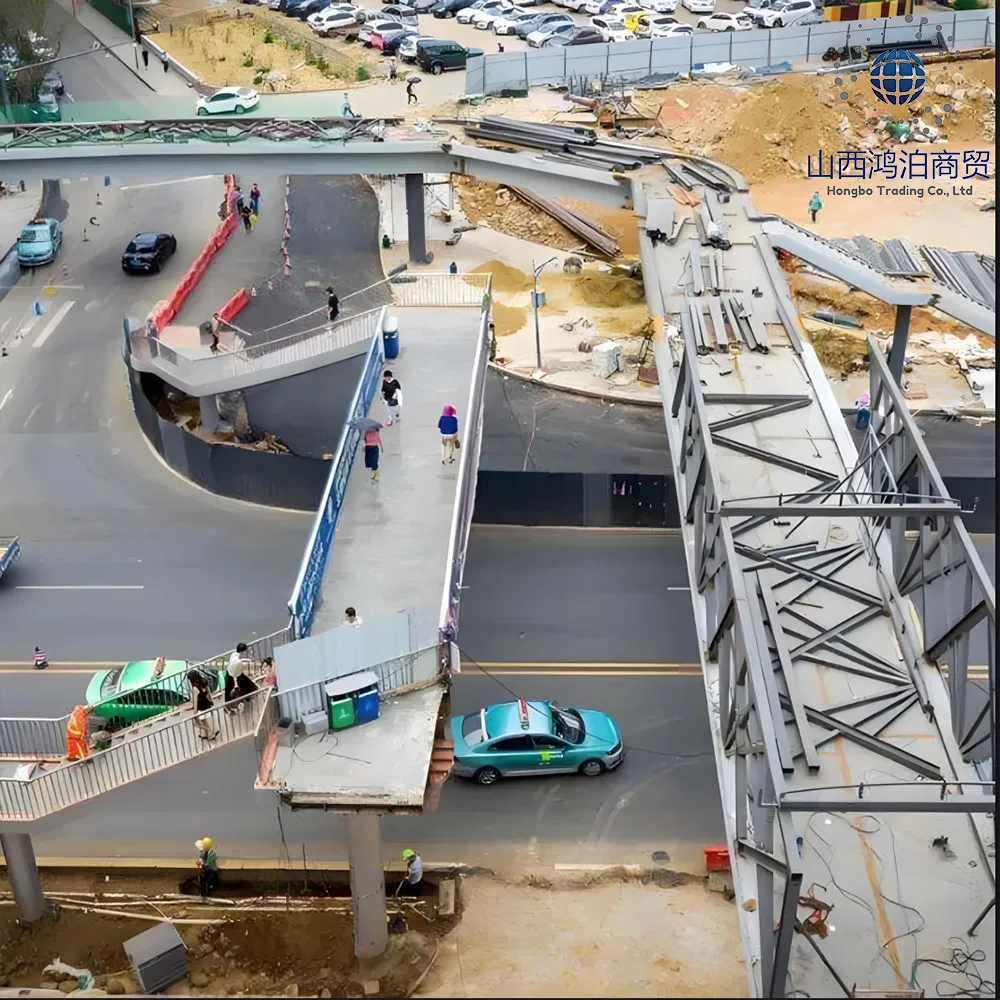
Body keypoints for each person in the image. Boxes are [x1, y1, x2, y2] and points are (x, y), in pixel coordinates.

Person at [188, 670, 218, 742]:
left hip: (201, 710)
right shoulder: (204, 682)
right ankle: (210, 734)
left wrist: (194, 715)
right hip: (207, 707)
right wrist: (211, 702)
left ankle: (208, 734)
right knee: (208, 724)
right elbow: (209, 695)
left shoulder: (195, 688)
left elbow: (195, 703)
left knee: (200, 724)